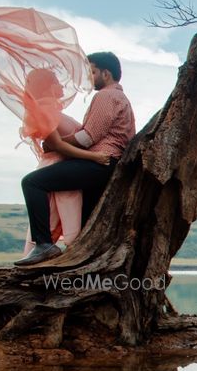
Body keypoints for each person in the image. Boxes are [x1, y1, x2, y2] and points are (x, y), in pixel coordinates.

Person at [16, 51, 136, 266]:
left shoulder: (106, 96)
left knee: (32, 182)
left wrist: (55, 144)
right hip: (105, 163)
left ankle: (43, 244)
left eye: (92, 73)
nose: (88, 79)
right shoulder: (119, 97)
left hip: (101, 162)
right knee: (86, 217)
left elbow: (87, 137)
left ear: (106, 73)